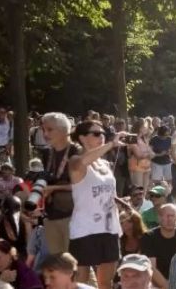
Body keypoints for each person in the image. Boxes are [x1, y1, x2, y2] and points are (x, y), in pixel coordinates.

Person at [68, 120, 124, 289]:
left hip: (109, 227)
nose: (102, 137)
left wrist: (121, 203)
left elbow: (108, 193)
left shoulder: (105, 164)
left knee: (105, 283)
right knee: (80, 282)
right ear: (82, 138)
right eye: (97, 134)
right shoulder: (75, 161)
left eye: (104, 134)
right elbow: (82, 162)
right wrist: (111, 144)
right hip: (85, 230)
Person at [41, 112, 82, 255]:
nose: (45, 134)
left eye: (50, 129)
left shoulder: (77, 152)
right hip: (50, 214)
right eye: (44, 129)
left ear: (65, 131)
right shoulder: (47, 153)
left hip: (72, 215)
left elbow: (82, 185)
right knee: (58, 262)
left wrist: (54, 188)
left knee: (76, 261)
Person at [141, 204, 176, 289]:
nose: (170, 219)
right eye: (167, 216)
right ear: (159, 218)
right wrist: (167, 286)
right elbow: (151, 267)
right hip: (156, 283)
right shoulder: (149, 237)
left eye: (172, 216)